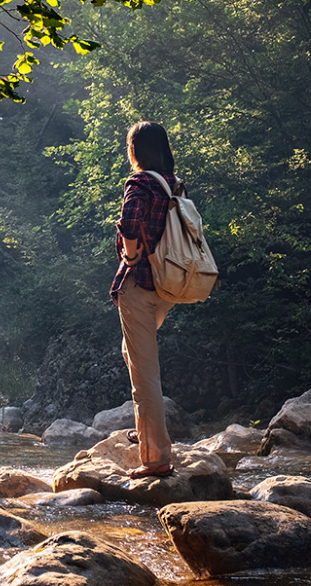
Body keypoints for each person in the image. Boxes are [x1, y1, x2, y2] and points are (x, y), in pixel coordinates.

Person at [110, 121, 179, 479]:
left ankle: (155, 459)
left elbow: (130, 220)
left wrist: (132, 255)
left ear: (135, 150)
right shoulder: (173, 185)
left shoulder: (140, 182)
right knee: (132, 353)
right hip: (166, 286)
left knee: (144, 375)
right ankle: (147, 430)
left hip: (138, 284)